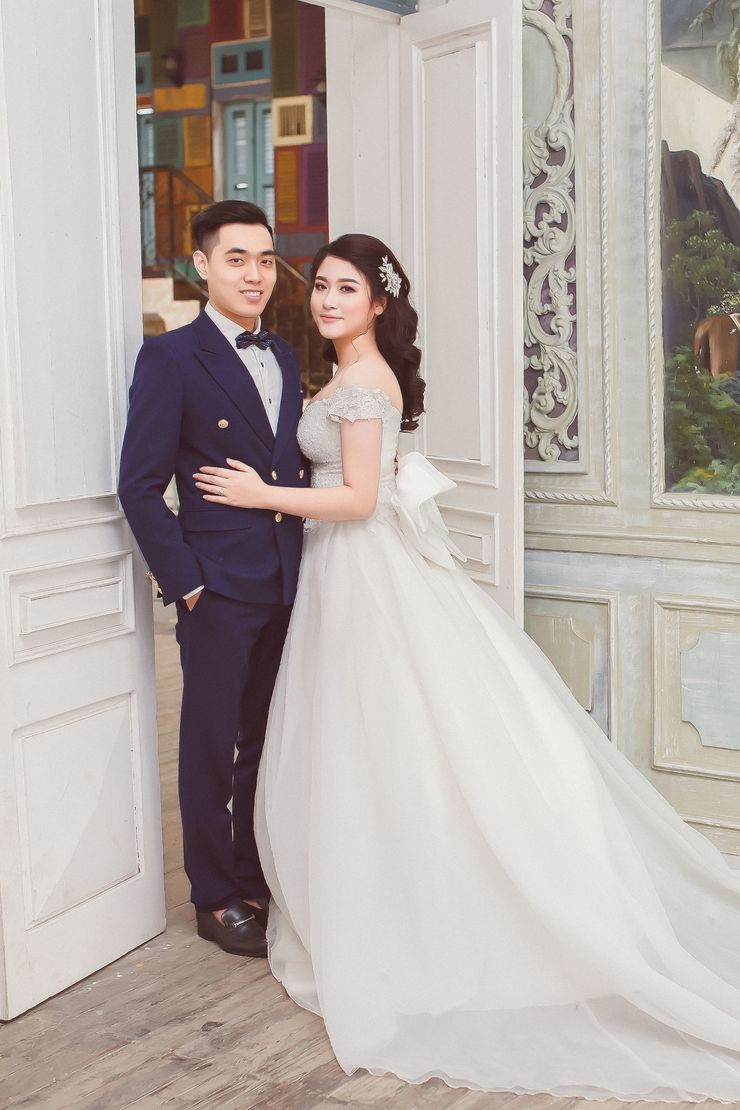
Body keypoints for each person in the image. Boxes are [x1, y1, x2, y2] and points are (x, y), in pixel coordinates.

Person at [194, 233, 740, 1101]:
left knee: (397, 738)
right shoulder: (341, 374)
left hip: (365, 569)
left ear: (379, 303)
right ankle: (381, 897)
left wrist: (263, 497)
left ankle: (426, 915)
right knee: (367, 745)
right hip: (339, 573)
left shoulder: (367, 381)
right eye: (322, 285)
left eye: (347, 289)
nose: (327, 299)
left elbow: (360, 498)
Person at [119, 201, 308, 958]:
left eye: (264, 259)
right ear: (201, 266)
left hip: (287, 579)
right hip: (218, 586)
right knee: (208, 743)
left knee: (263, 736)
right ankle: (214, 895)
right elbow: (139, 485)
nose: (254, 274)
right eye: (236, 259)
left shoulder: (285, 354)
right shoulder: (170, 358)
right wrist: (187, 582)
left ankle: (252, 873)